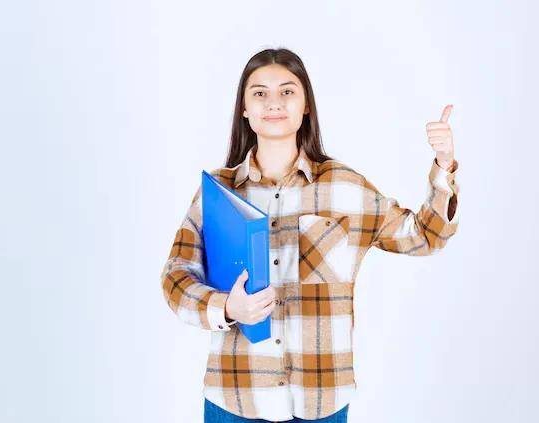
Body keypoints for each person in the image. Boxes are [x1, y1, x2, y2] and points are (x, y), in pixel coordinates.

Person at [160, 47, 460, 423]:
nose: (274, 103)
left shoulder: (345, 188)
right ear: (244, 109)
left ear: (305, 105)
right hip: (235, 399)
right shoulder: (218, 193)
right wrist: (225, 308)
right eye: (259, 93)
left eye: (287, 91)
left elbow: (425, 236)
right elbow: (175, 276)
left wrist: (443, 166)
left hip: (321, 402)